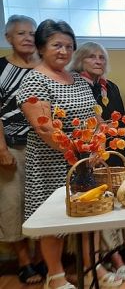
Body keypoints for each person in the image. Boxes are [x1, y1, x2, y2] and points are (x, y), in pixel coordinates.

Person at [18, 20, 121, 289]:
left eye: (68, 46)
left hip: (84, 162)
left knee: (90, 213)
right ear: (41, 47)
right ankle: (56, 276)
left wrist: (98, 146)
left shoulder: (77, 79)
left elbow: (93, 117)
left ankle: (91, 267)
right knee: (54, 220)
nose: (63, 51)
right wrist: (77, 152)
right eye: (56, 45)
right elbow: (45, 129)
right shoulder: (34, 80)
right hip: (51, 162)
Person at [68, 42, 125, 281]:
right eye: (91, 57)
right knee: (93, 209)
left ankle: (114, 256)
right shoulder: (74, 85)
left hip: (109, 156)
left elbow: (121, 124)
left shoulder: (109, 87)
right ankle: (99, 263)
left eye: (101, 58)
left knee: (111, 205)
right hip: (82, 155)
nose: (98, 61)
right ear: (79, 61)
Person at [0, 16, 42, 285]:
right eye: (21, 33)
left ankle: (43, 260)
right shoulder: (1, 68)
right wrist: (1, 148)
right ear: (8, 38)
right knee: (12, 204)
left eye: (32, 33)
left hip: (44, 150)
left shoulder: (45, 67)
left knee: (42, 206)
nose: (27, 37)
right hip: (12, 147)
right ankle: (25, 263)